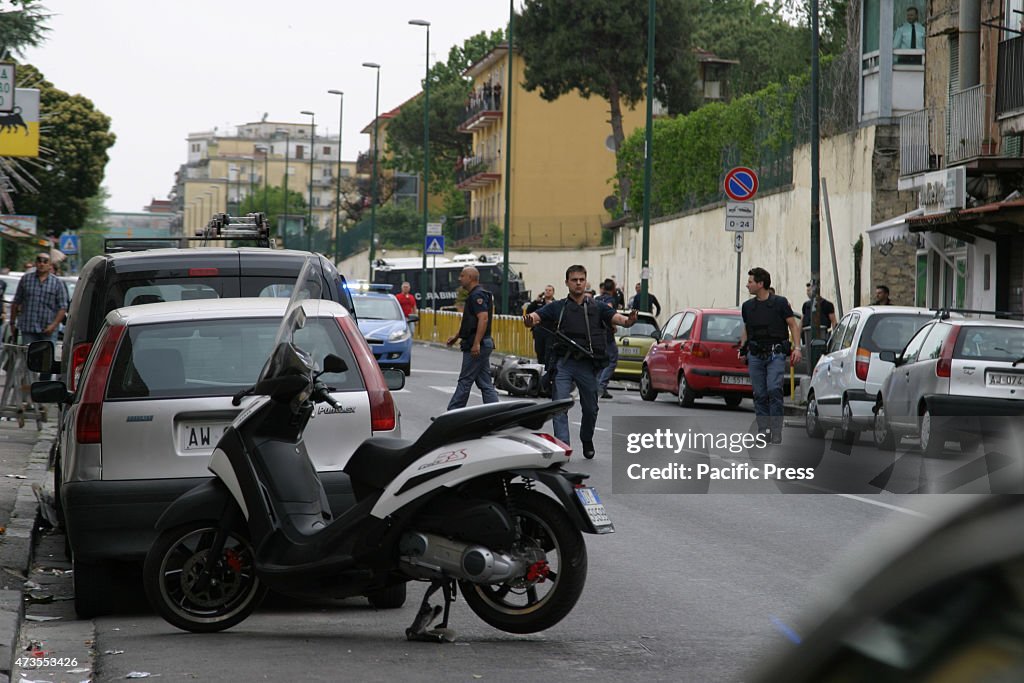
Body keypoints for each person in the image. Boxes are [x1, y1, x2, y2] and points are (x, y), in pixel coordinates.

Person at [523, 265, 637, 459]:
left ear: (586, 281)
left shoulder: (597, 306)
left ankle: (586, 439)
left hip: (587, 365)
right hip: (563, 364)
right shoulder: (557, 306)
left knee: (591, 408)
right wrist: (529, 319)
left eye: (581, 280)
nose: (578, 283)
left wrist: (628, 321)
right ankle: (563, 448)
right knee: (559, 406)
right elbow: (536, 316)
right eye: (574, 280)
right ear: (567, 282)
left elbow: (616, 318)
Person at [739, 267, 802, 445]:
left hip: (775, 353)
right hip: (755, 354)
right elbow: (746, 329)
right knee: (759, 393)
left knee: (774, 389)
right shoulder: (748, 307)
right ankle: (763, 430)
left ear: (760, 284)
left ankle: (776, 430)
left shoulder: (780, 303)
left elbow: (793, 325)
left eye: (750, 282)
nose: (747, 285)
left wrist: (797, 348)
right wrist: (743, 349)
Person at [446, 266, 499, 410]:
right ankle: (497, 413)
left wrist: (476, 343)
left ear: (470, 278)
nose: (459, 278)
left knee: (465, 381)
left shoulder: (477, 295)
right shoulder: (477, 294)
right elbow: (470, 322)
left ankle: (452, 414)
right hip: (482, 342)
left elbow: (483, 319)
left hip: (477, 344)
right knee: (485, 383)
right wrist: (457, 336)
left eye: (462, 275)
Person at [11, 253, 69, 381]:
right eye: (39, 261)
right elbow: (16, 302)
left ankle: (43, 387)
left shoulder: (57, 283)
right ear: (35, 263)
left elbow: (62, 307)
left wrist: (53, 325)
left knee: (47, 361)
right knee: (28, 359)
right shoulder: (26, 280)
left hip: (48, 329)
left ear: (50, 265)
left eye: (45, 261)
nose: (42, 263)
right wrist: (12, 323)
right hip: (28, 327)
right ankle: (28, 389)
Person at [595, 279, 619, 400]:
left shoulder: (597, 299)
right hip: (607, 334)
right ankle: (601, 385)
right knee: (612, 359)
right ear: (613, 288)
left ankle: (598, 386)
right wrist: (613, 325)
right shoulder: (610, 300)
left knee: (601, 361)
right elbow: (608, 311)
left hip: (597, 334)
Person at [525, 284, 556, 365]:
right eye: (546, 290)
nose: (547, 292)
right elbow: (529, 311)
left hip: (550, 332)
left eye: (550, 290)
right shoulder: (538, 303)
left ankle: (547, 369)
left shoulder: (555, 304)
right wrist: (535, 301)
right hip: (539, 331)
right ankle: (540, 366)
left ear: (553, 292)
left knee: (548, 352)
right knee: (539, 351)